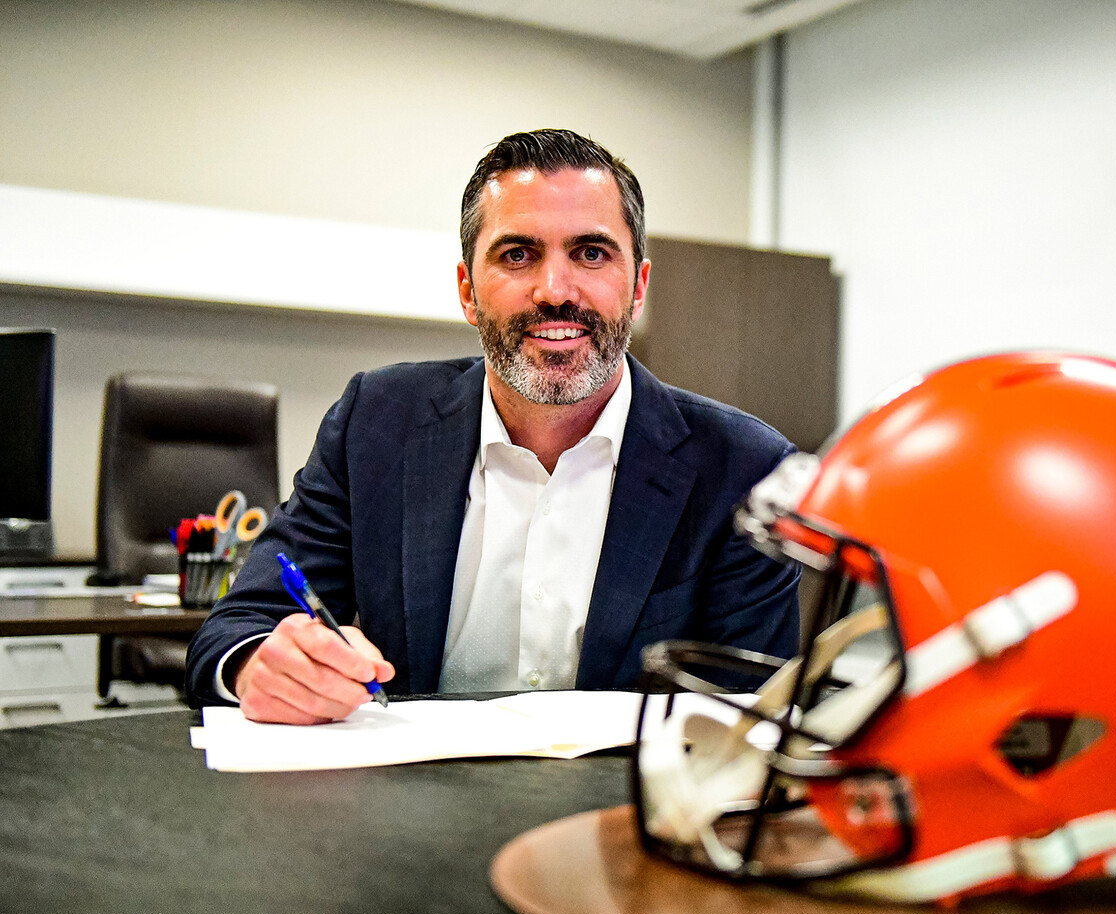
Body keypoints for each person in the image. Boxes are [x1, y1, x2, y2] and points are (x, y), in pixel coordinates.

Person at [185, 129, 800, 724]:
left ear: (637, 286)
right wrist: (259, 666)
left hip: (620, 818)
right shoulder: (376, 424)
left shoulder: (744, 471)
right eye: (517, 255)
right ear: (467, 289)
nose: (555, 291)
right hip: (406, 811)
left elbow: (749, 718)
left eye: (591, 253)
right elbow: (238, 628)